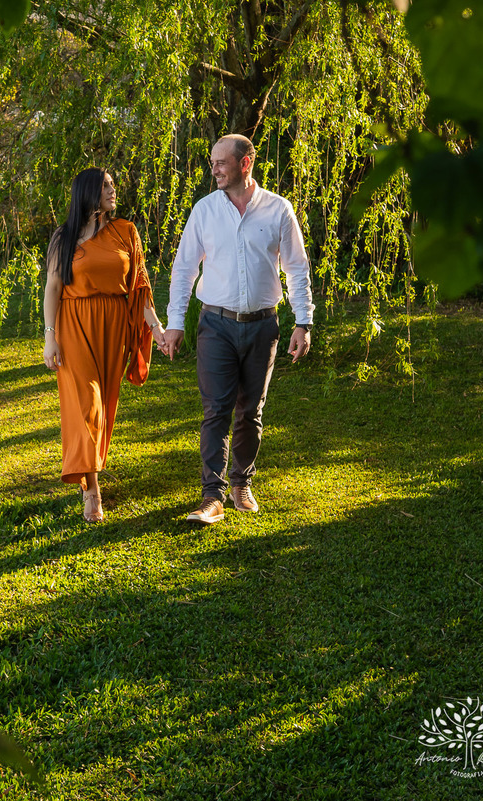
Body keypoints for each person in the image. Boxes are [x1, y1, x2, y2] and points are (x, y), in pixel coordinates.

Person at [156, 134, 314, 524]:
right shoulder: (205, 211)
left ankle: (241, 481)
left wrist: (303, 321)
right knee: (216, 411)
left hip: (263, 327)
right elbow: (183, 270)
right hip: (215, 325)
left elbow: (296, 268)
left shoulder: (279, 209)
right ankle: (212, 496)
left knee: (251, 412)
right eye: (212, 162)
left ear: (245, 163)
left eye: (221, 162)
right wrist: (176, 323)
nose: (214, 169)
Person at [42, 168, 164, 523]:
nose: (113, 190)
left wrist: (155, 328)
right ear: (88, 193)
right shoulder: (63, 237)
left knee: (104, 407)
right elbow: (52, 288)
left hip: (113, 327)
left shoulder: (126, 231)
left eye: (113, 184)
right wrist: (50, 336)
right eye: (105, 185)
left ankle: (89, 471)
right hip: (74, 325)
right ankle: (91, 489)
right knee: (87, 403)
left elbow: (139, 287)